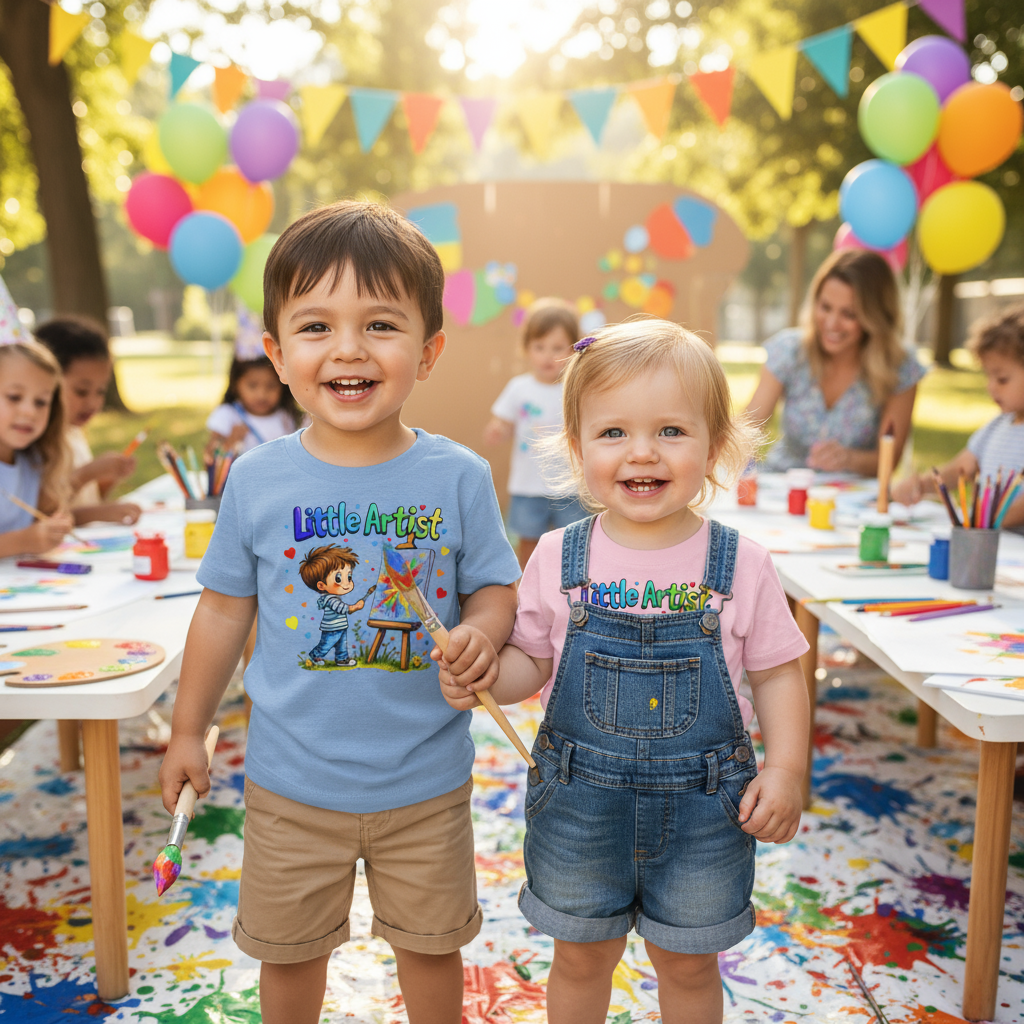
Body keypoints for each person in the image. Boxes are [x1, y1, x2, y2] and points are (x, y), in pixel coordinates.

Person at [158, 200, 521, 1024]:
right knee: (288, 960)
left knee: (432, 950)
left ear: (428, 351)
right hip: (291, 787)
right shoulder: (253, 479)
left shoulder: (459, 476)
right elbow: (221, 614)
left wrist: (482, 633)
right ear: (276, 352)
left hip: (427, 784)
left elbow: (496, 587)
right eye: (316, 326)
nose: (349, 349)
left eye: (381, 325)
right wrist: (188, 730)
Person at [441, 321, 811, 1024]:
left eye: (672, 430)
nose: (642, 451)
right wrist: (487, 676)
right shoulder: (555, 555)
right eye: (613, 434)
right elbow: (533, 662)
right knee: (580, 958)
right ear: (578, 450)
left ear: (717, 445)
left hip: (708, 812)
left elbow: (778, 673)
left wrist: (787, 770)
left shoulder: (744, 564)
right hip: (581, 807)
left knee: (690, 964)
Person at [746, 248, 925, 475]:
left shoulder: (900, 367)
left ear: (874, 316)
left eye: (849, 314)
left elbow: (888, 460)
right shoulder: (790, 350)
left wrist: (850, 459)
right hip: (782, 485)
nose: (832, 323)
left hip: (851, 498)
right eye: (825, 307)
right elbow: (748, 431)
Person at [893, 305, 1024, 530]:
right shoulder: (996, 427)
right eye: (988, 376)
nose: (991, 387)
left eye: (1002, 379)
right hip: (986, 541)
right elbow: (960, 470)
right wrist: (922, 484)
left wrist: (982, 522)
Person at [484, 298, 585, 568]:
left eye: (557, 347)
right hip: (528, 486)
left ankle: (570, 588)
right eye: (539, 347)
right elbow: (503, 421)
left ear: (574, 349)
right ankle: (528, 590)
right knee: (528, 541)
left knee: (573, 542)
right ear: (526, 348)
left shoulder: (575, 389)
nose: (547, 355)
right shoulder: (519, 387)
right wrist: (498, 430)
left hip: (570, 485)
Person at [34, 316, 142, 525]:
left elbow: (84, 501)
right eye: (81, 391)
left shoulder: (74, 433)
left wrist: (104, 480)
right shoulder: (37, 441)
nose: (93, 403)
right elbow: (41, 513)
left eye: (100, 391)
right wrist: (87, 475)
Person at [0, 339, 74, 556]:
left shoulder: (35, 463)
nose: (29, 412)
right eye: (14, 397)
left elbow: (48, 514)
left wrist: (55, 527)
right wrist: (22, 542)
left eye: (41, 402)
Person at [205, 353, 302, 457]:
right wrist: (230, 442)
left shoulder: (286, 417)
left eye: (271, 386)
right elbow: (211, 457)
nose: (262, 395)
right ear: (235, 385)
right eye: (252, 385)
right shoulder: (227, 415)